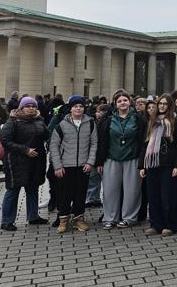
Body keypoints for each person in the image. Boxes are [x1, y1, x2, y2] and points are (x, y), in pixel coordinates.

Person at [96, 91, 146, 229]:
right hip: (111, 158)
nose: (122, 103)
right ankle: (110, 218)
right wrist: (99, 161)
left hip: (132, 158)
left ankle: (129, 218)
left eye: (125, 100)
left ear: (130, 102)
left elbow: (143, 140)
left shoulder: (138, 119)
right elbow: (101, 141)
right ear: (115, 104)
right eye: (119, 101)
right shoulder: (107, 120)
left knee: (132, 190)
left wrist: (142, 162)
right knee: (110, 190)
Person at [139, 94, 177, 236]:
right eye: (160, 103)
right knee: (153, 196)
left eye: (165, 104)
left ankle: (170, 225)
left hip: (169, 164)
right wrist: (141, 165)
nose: (162, 106)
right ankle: (155, 224)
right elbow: (145, 145)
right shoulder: (152, 122)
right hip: (152, 164)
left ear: (170, 106)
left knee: (168, 196)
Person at [0, 96, 48, 231]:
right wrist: (25, 150)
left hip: (36, 160)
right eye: (28, 106)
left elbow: (46, 135)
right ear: (21, 107)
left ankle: (33, 217)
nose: (31, 108)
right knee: (13, 190)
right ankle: (7, 221)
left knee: (33, 188)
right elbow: (5, 141)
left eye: (33, 106)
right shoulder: (13, 121)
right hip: (16, 161)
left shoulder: (39, 120)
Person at [50, 95, 98, 233]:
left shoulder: (90, 123)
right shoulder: (62, 125)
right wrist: (57, 166)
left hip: (83, 165)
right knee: (64, 194)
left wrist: (90, 162)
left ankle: (78, 219)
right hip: (66, 165)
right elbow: (54, 146)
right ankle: (63, 219)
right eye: (75, 106)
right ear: (70, 108)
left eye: (81, 106)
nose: (78, 108)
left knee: (80, 194)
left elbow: (94, 143)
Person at [85, 103, 109, 207]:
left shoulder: (107, 122)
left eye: (100, 111)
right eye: (98, 111)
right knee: (93, 177)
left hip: (102, 154)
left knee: (102, 178)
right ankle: (93, 198)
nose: (98, 114)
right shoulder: (92, 122)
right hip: (93, 154)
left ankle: (97, 198)